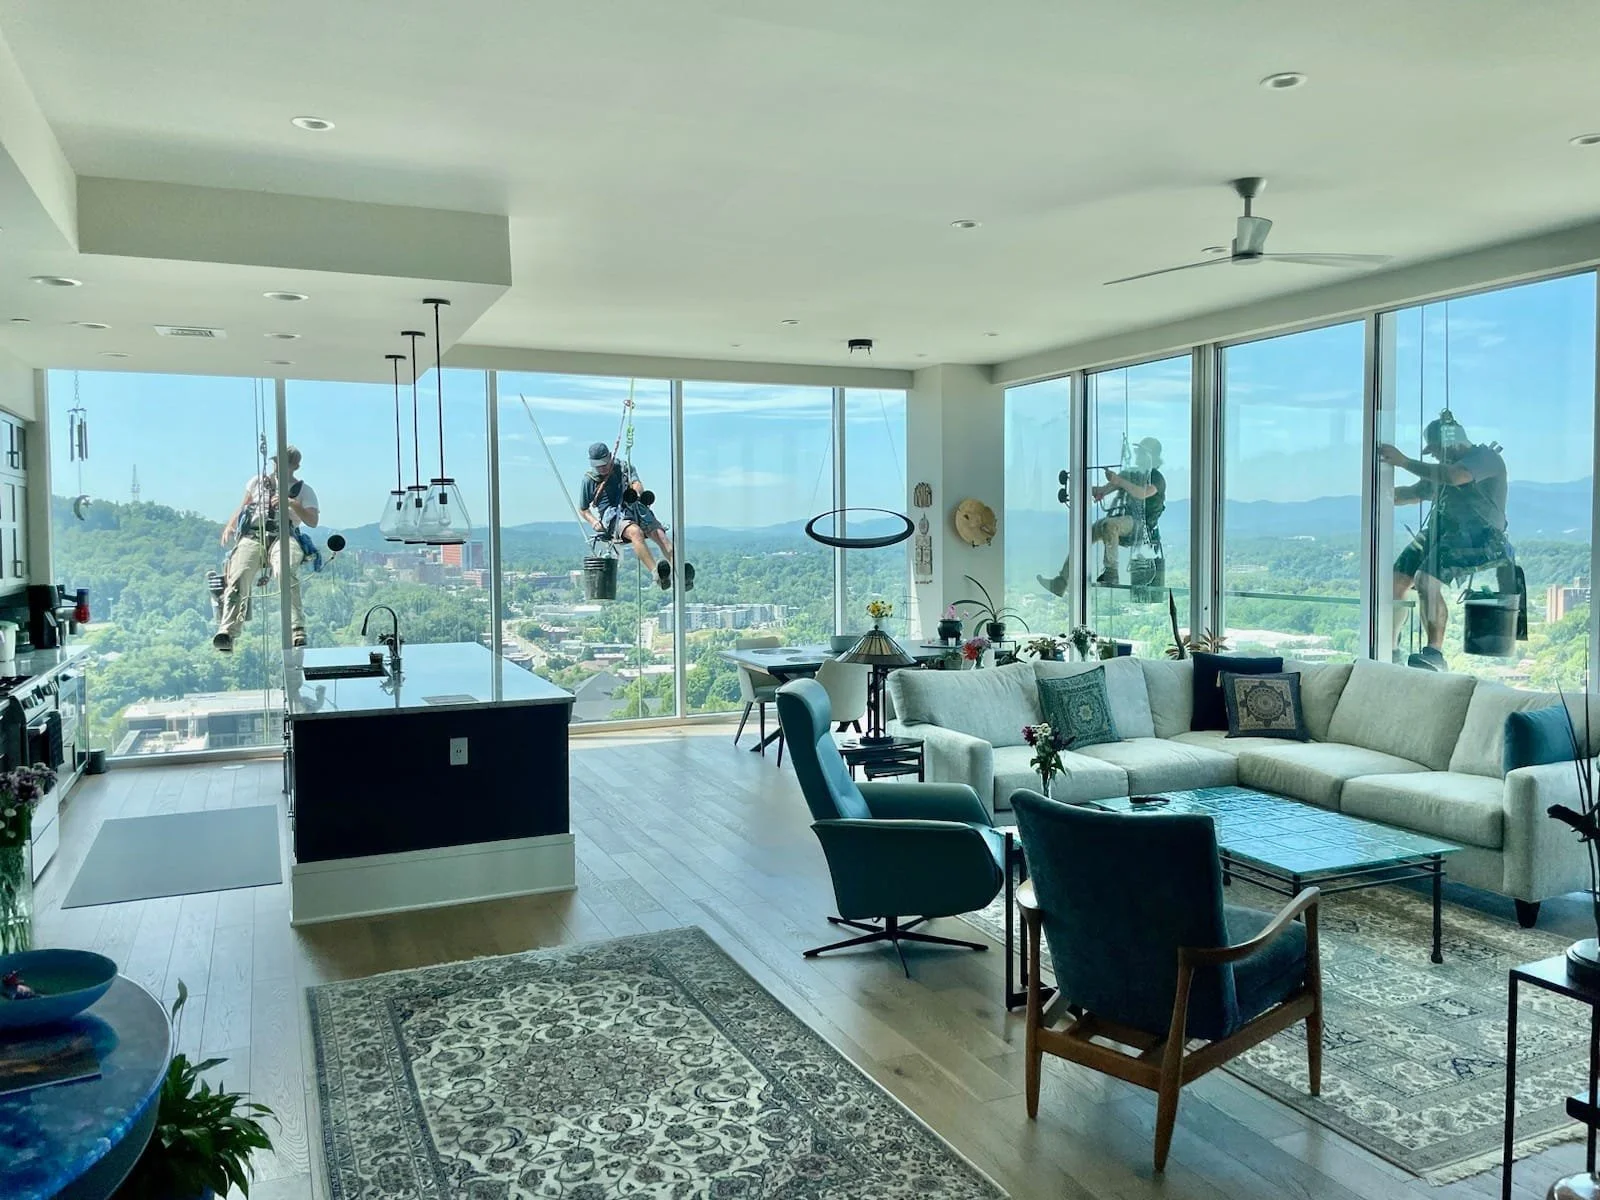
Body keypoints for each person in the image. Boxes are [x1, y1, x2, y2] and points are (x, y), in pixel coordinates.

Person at [1381, 411, 1508, 670]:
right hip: (1443, 530)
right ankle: (1389, 649)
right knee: (1395, 581)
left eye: (1437, 451)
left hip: (1478, 535)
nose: (1436, 457)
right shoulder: (1444, 470)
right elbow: (1417, 492)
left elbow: (1456, 476)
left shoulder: (1485, 458)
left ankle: (1434, 654)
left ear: (1451, 442)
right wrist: (1378, 493)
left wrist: (1404, 462)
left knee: (1426, 581)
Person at [213, 445, 319, 652]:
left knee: (286, 572)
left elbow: (313, 520)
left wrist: (292, 504)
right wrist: (231, 525)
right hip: (254, 535)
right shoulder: (258, 482)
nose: (279, 467)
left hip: (284, 536)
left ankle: (297, 628)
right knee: (238, 575)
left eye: (284, 463)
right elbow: (245, 506)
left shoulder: (304, 491)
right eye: (277, 462)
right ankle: (227, 630)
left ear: (295, 466)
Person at [577, 441, 693, 590]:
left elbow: (637, 483)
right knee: (635, 532)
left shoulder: (624, 468)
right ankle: (657, 574)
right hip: (612, 515)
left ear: (610, 457)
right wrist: (593, 521)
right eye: (598, 466)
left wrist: (636, 493)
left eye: (604, 464)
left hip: (634, 505)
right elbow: (583, 508)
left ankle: (680, 571)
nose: (602, 468)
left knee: (660, 535)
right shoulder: (589, 480)